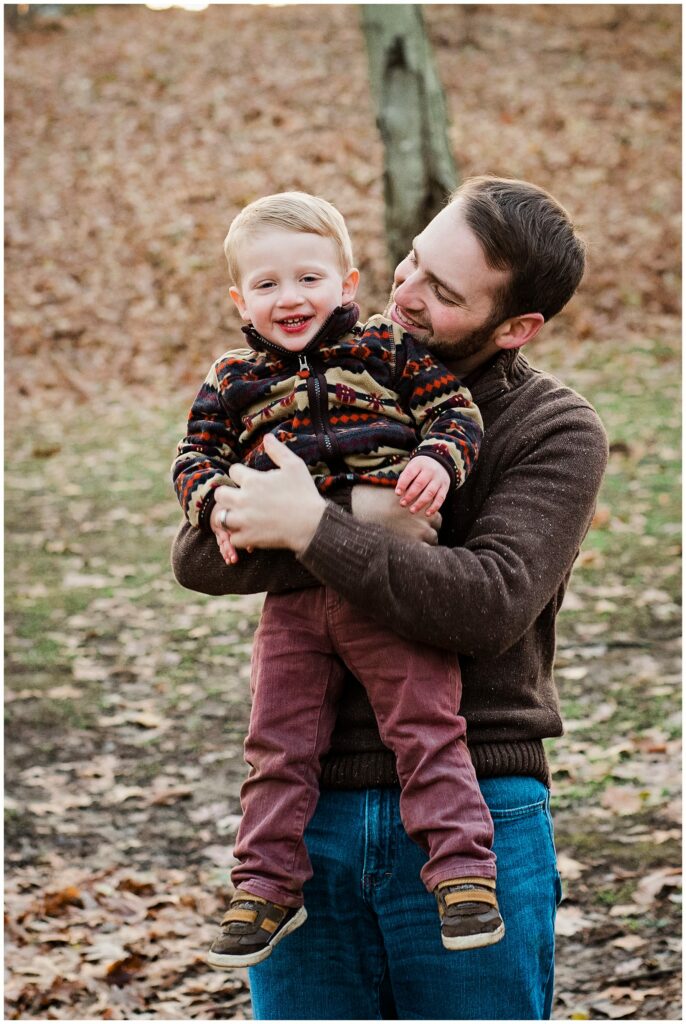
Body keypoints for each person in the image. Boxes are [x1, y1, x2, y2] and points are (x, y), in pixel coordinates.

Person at [171, 176, 608, 1020]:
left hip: (481, 801)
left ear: (515, 326)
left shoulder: (554, 429)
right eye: (411, 262)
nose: (405, 295)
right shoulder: (318, 366)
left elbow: (487, 603)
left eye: (443, 292)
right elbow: (202, 553)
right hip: (309, 812)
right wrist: (359, 518)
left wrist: (308, 524)